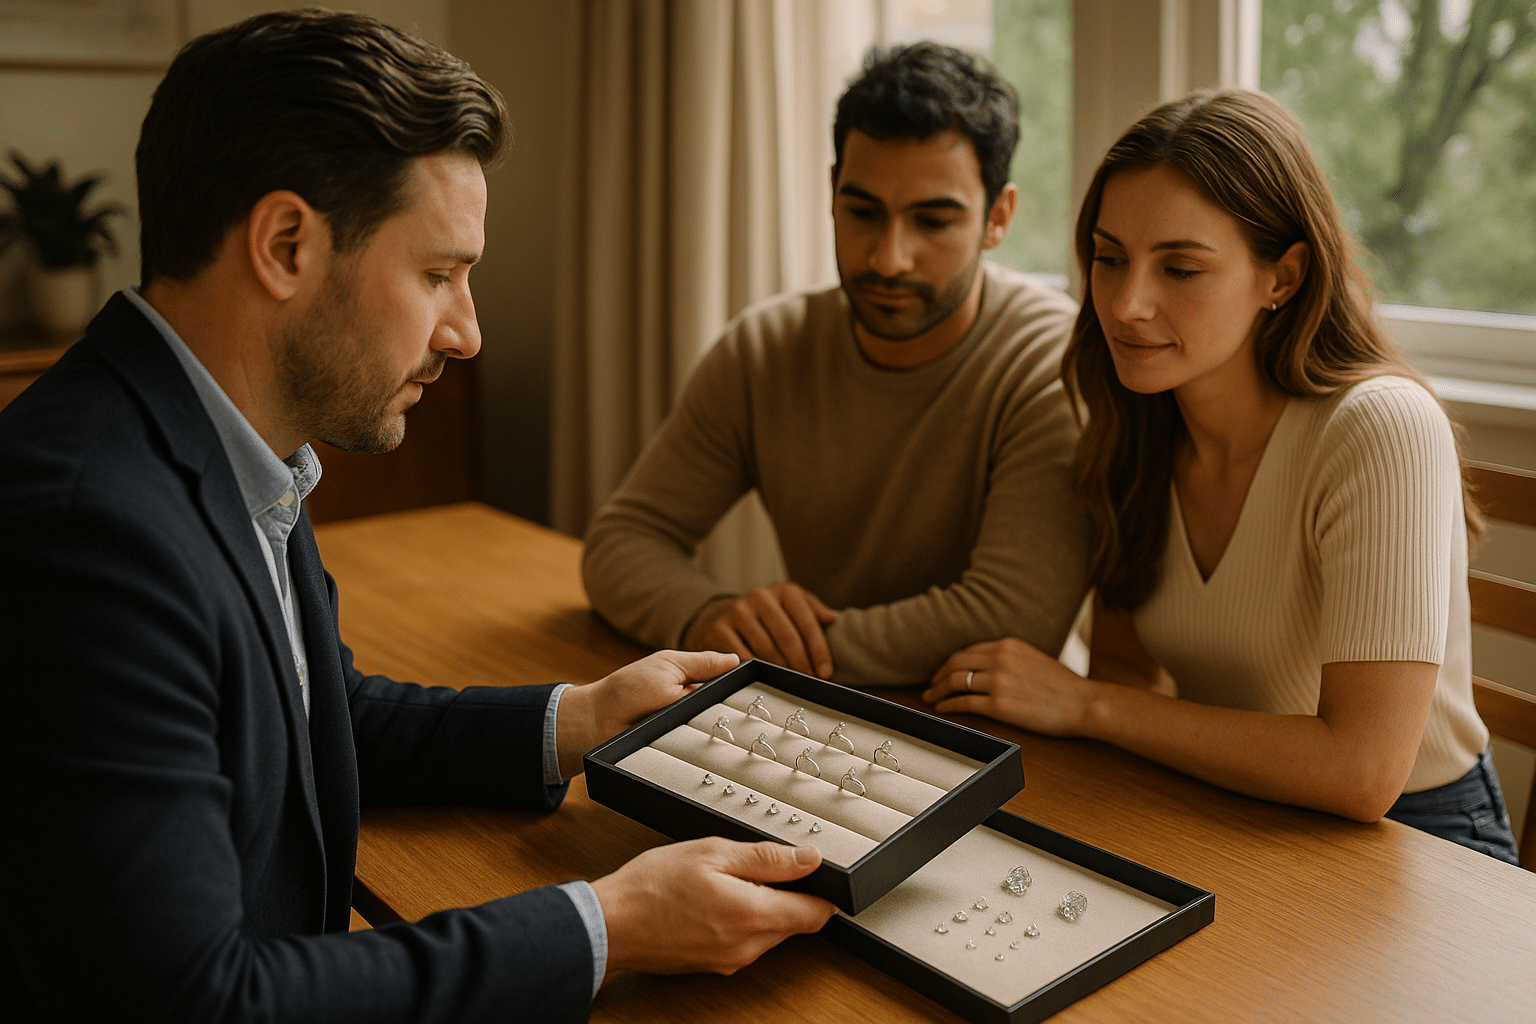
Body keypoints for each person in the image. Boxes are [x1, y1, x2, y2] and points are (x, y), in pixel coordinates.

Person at [0, 11, 833, 1022]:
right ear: (287, 244)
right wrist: (605, 926)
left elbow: (310, 715)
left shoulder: (220, 434)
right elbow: (195, 1003)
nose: (468, 331)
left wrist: (578, 719)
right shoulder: (88, 529)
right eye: (438, 274)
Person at [923, 90, 1518, 864]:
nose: (1128, 305)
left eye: (1181, 267)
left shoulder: (1380, 428)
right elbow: (1128, 669)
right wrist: (1095, 705)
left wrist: (1085, 705)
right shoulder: (1135, 422)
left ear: (1285, 275)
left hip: (1421, 843)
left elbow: (1362, 771)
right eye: (1109, 259)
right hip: (1236, 812)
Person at [581, 42, 1091, 686]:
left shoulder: (1052, 360)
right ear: (830, 193)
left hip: (1006, 731)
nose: (888, 259)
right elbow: (622, 541)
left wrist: (772, 654)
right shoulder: (764, 349)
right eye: (863, 212)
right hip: (816, 714)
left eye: (932, 221)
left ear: (998, 218)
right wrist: (708, 616)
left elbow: (1011, 618)